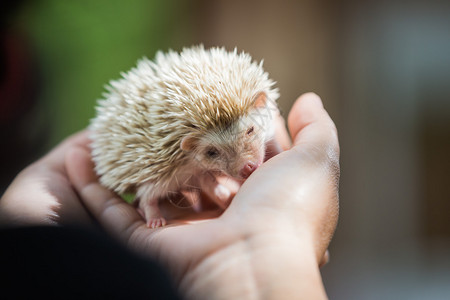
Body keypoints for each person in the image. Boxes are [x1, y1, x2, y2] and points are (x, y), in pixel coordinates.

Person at [0, 93, 339, 299]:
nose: (244, 164)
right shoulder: (171, 165)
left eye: (250, 131)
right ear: (187, 147)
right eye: (213, 154)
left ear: (258, 108)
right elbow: (157, 189)